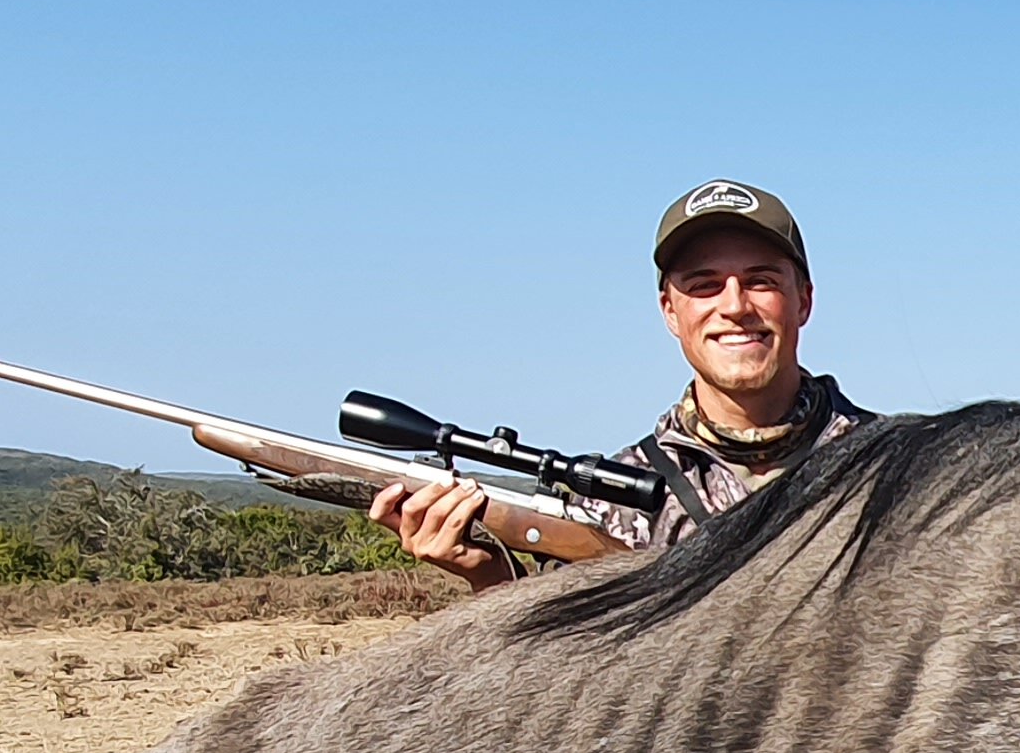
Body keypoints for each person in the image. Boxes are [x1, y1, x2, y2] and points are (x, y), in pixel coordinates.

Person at [373, 179, 870, 586]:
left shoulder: (892, 467)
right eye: (704, 285)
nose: (735, 306)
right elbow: (571, 675)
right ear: (670, 312)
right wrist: (487, 575)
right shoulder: (608, 500)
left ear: (803, 300)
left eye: (761, 281)